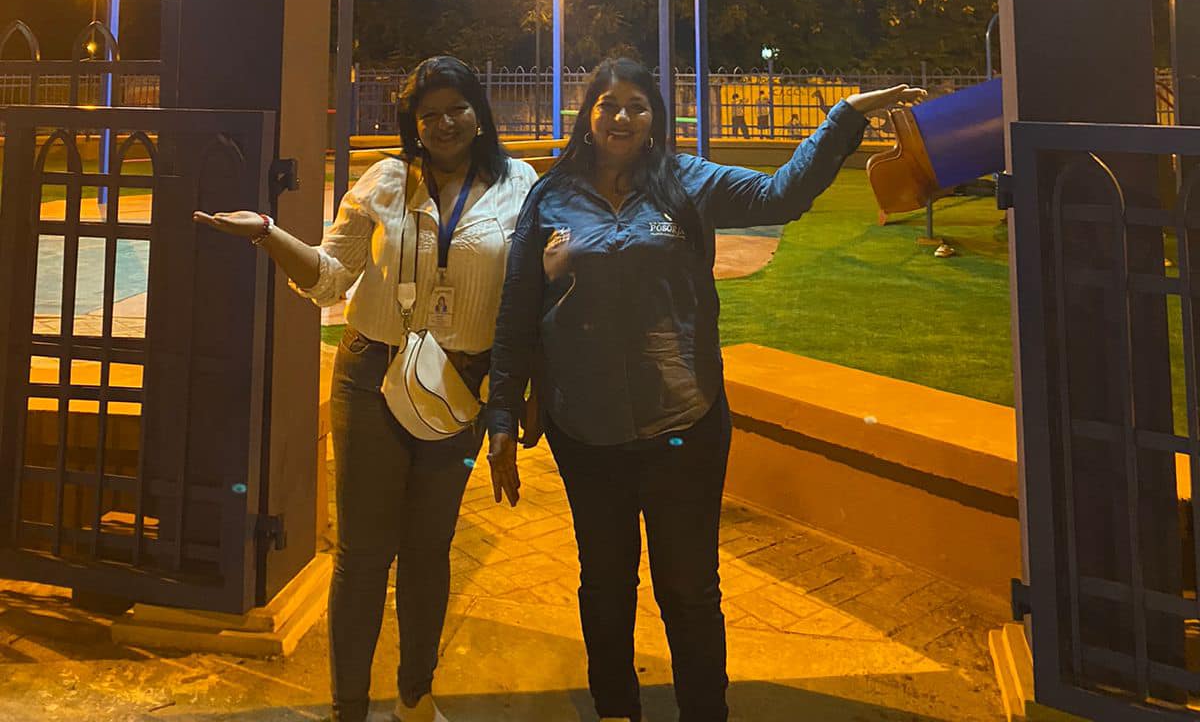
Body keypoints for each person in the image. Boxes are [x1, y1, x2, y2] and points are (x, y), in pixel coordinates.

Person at [486, 55, 924, 722]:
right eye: (609, 104)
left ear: (655, 116)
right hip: (586, 433)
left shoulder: (686, 181)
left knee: (689, 589)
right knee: (604, 584)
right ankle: (615, 708)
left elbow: (781, 196)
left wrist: (843, 117)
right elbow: (518, 307)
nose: (623, 116)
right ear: (588, 116)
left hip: (683, 427)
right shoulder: (551, 197)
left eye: (637, 104)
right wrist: (500, 416)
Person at [195, 55, 538, 722]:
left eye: (457, 108)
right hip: (371, 377)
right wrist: (267, 233)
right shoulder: (385, 180)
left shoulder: (517, 184)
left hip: (457, 388)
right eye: (428, 115)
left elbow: (528, 296)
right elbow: (330, 277)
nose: (444, 123)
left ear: (480, 112)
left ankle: (416, 697)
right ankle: (347, 707)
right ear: (413, 124)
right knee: (363, 554)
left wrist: (513, 398)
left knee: (428, 551)